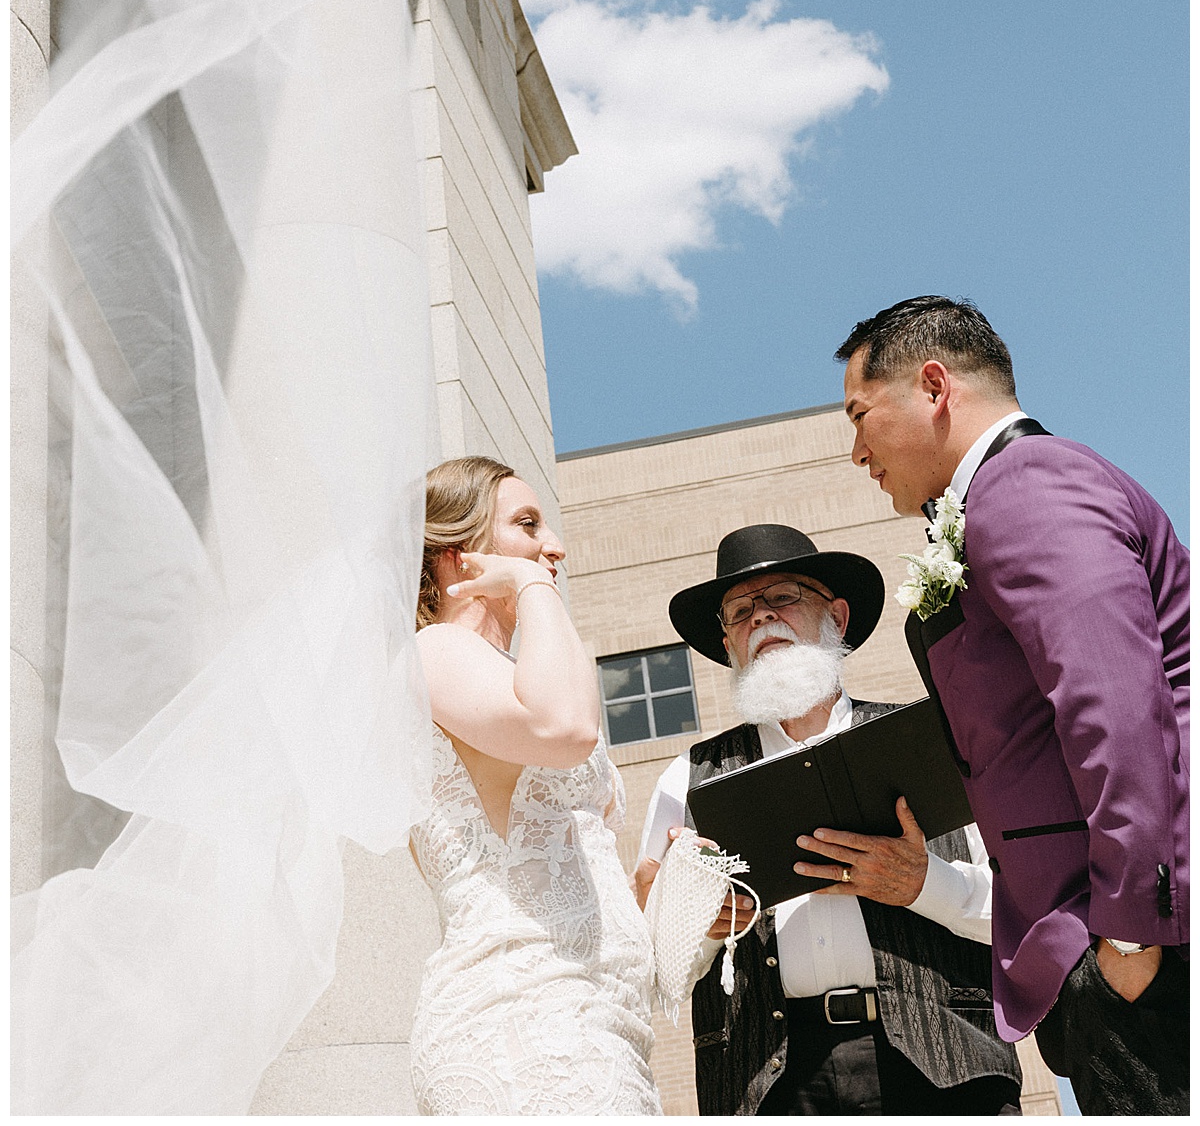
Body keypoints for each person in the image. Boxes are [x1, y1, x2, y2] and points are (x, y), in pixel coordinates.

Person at [836, 295, 1189, 1114]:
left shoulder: (1025, 482)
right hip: (1097, 948)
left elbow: (1116, 703)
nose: (856, 452)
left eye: (860, 416)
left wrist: (1132, 934)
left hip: (1142, 945)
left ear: (934, 385)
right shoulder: (996, 498)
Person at [635, 521, 1022, 1115]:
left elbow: (1023, 913)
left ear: (836, 617)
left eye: (782, 597)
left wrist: (925, 886)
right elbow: (657, 973)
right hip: (775, 1087)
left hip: (946, 1071)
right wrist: (702, 929)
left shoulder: (929, 741)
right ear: (728, 644)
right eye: (740, 612)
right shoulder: (687, 777)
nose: (761, 618)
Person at [408, 455, 661, 1116]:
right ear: (457, 557)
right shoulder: (434, 654)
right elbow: (564, 726)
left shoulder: (503, 673)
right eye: (527, 526)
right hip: (525, 1021)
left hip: (598, 1024)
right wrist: (529, 584)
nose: (556, 548)